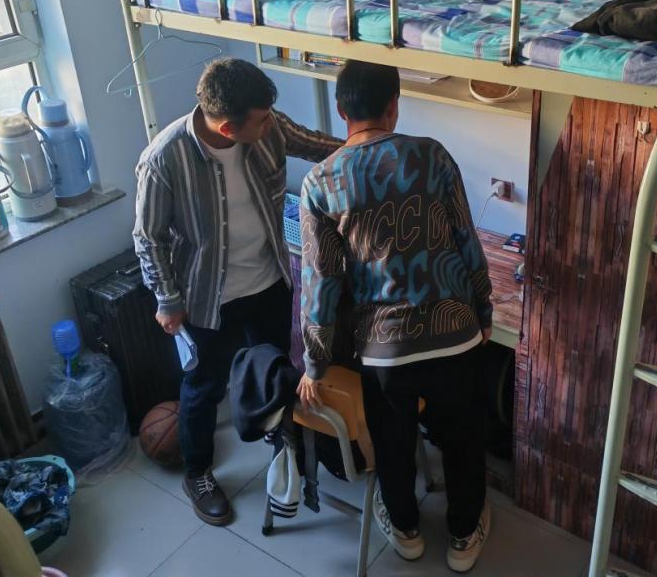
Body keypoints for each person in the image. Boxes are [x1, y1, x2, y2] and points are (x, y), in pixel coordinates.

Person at [297, 61, 493, 573]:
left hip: (385, 349)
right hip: (455, 334)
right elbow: (466, 241)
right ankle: (464, 535)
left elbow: (321, 283)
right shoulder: (433, 155)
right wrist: (483, 308)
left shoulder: (320, 182)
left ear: (341, 110)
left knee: (392, 441)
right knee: (462, 439)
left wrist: (314, 363)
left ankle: (406, 530)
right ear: (394, 106)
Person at [133, 57, 340, 526]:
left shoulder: (268, 126)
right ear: (228, 128)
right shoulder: (165, 159)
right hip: (208, 297)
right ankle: (198, 473)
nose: (272, 125)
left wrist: (368, 147)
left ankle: (282, 450)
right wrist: (167, 299)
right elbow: (148, 238)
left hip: (268, 281)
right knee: (204, 387)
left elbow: (316, 144)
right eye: (262, 120)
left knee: (272, 373)